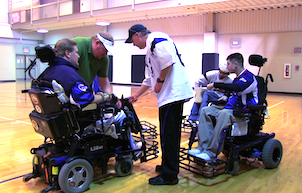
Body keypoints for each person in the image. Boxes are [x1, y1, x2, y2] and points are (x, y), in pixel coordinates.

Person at [37, 38, 141, 151]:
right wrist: (107, 96)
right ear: (67, 54)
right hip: (77, 119)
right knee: (122, 115)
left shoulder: (46, 73)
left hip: (57, 120)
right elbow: (85, 98)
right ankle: (131, 147)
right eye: (76, 53)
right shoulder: (68, 73)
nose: (78, 56)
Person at [125, 24, 194, 185]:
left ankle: (170, 175)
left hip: (172, 93)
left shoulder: (156, 38)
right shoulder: (150, 50)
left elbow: (168, 62)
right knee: (167, 134)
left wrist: (160, 81)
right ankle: (168, 166)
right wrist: (136, 95)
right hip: (167, 96)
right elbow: (149, 79)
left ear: (138, 35)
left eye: (133, 40)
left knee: (169, 135)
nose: (134, 45)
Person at [188, 53, 258, 161]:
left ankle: (211, 152)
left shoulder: (248, 77)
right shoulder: (237, 78)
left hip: (244, 111)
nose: (227, 66)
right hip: (231, 108)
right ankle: (202, 147)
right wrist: (225, 98)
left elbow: (237, 88)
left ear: (235, 64)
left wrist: (216, 84)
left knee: (223, 114)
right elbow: (233, 94)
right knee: (206, 110)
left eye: (228, 64)